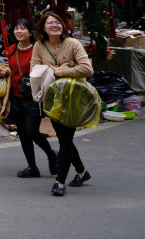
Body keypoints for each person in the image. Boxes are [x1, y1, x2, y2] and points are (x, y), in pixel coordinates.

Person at [31, 11, 94, 197]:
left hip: (73, 98)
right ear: (43, 27)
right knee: (64, 138)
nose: (55, 25)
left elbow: (87, 68)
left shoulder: (73, 44)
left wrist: (61, 72)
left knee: (65, 139)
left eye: (58, 22)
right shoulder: (39, 46)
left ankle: (60, 182)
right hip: (52, 100)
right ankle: (82, 172)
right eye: (50, 23)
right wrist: (55, 71)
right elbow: (34, 70)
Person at [3, 18, 57, 178]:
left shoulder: (38, 49)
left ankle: (51, 153)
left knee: (31, 130)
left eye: (22, 29)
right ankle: (32, 167)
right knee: (23, 132)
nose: (19, 32)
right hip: (15, 96)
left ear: (30, 32)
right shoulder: (12, 49)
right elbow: (10, 69)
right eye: (16, 29)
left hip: (33, 96)